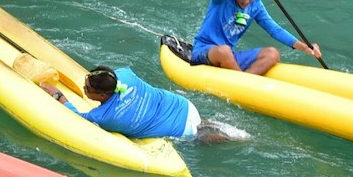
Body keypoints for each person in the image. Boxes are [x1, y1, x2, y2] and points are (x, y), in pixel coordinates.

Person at [39, 65, 246, 144]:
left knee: (200, 136)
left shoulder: (104, 117)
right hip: (184, 106)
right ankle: (235, 132)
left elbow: (77, 117)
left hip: (180, 129)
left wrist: (58, 95)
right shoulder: (125, 75)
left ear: (101, 95)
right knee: (200, 122)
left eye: (87, 88)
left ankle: (233, 140)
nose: (84, 89)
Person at [191, 0, 322, 73]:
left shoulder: (256, 6)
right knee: (224, 51)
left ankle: (243, 81)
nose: (246, 1)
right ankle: (243, 84)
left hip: (230, 56)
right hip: (205, 51)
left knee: (273, 53)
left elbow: (275, 30)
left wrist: (304, 47)